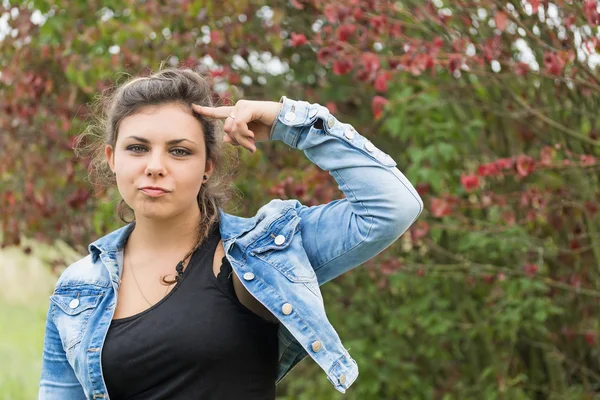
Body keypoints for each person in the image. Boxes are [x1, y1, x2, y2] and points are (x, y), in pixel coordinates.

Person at [38, 67, 423, 399]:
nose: (155, 166)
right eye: (138, 148)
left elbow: (390, 206)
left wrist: (288, 122)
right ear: (112, 159)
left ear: (208, 165)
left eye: (180, 151)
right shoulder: (78, 289)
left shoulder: (263, 254)